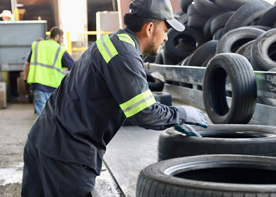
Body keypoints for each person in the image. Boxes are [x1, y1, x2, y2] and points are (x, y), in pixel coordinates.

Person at [21, 0, 208, 196]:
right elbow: (144, 113)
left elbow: (123, 100)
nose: (166, 38)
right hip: (67, 154)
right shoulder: (125, 54)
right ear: (150, 28)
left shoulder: (110, 42)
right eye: (166, 30)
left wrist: (169, 118)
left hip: (43, 137)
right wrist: (182, 114)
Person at [23, 27, 74, 116]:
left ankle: (42, 129)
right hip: (54, 88)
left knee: (41, 117)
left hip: (38, 85)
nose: (62, 41)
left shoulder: (37, 45)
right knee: (53, 116)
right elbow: (74, 66)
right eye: (62, 38)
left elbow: (27, 64)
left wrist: (25, 78)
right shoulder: (59, 49)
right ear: (57, 36)